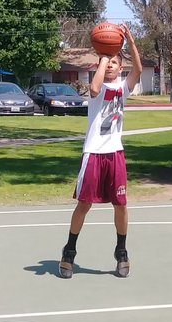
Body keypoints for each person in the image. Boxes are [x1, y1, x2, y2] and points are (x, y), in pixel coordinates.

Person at [59, 26, 142, 279]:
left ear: (120, 68)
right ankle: (69, 251)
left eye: (115, 63)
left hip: (114, 153)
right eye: (107, 63)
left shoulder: (123, 88)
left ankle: (122, 250)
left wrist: (129, 40)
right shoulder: (98, 86)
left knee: (121, 204)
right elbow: (94, 90)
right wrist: (104, 55)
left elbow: (137, 70)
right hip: (94, 153)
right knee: (84, 204)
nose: (110, 66)